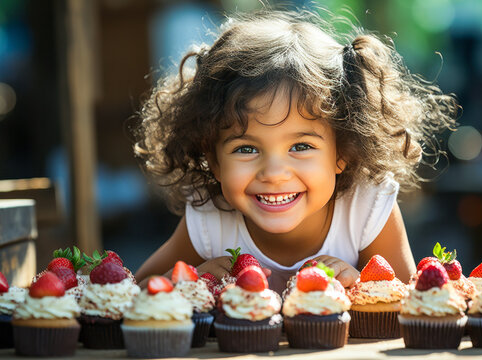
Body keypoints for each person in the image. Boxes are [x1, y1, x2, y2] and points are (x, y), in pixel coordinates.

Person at [133, 9, 457, 293]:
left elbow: (412, 302)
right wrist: (189, 278)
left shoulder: (365, 208)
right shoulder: (211, 219)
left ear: (343, 150)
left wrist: (361, 286)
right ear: (213, 159)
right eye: (246, 149)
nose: (274, 173)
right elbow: (139, 288)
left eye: (300, 147)